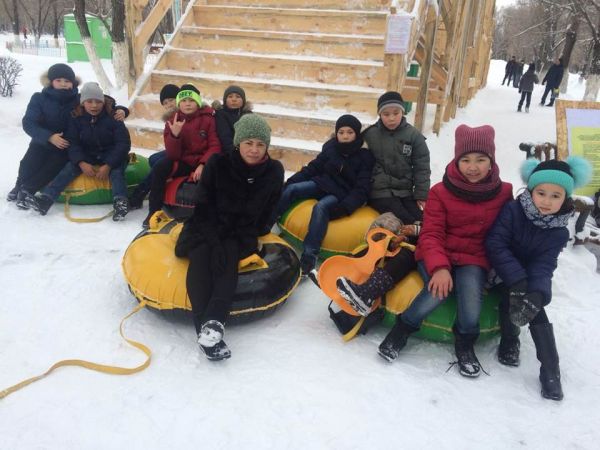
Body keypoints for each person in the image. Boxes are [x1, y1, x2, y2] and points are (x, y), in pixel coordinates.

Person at [377, 124, 513, 378]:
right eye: (466, 160)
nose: (473, 167)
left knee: (471, 299)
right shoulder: (440, 191)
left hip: (474, 258)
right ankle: (402, 330)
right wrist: (439, 268)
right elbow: (431, 234)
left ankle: (465, 344)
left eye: (481, 159)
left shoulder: (503, 192)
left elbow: (505, 233)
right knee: (437, 292)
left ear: (491, 160)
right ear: (457, 160)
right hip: (439, 252)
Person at [174, 114, 284, 360]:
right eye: (248, 143)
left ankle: (214, 321)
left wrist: (258, 229)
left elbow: (272, 206)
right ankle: (205, 329)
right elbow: (203, 204)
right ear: (238, 143)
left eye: (260, 144)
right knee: (201, 254)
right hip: (207, 223)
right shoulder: (218, 163)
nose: (254, 150)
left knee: (229, 256)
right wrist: (213, 240)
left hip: (240, 230)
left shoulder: (274, 171)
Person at [486, 157, 592, 401]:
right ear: (531, 191)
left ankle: (551, 370)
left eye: (555, 196)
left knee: (534, 306)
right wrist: (516, 278)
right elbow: (496, 244)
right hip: (499, 270)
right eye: (541, 193)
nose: (546, 201)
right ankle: (510, 339)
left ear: (565, 198)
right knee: (510, 295)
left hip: (525, 277)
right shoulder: (513, 211)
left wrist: (538, 292)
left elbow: (544, 265)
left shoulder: (559, 231)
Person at [9, 63, 128, 209]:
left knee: (54, 165)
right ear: (50, 81)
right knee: (29, 161)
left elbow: (102, 101)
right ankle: (18, 186)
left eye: (67, 81)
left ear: (73, 83)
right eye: (58, 80)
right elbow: (28, 122)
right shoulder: (39, 98)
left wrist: (122, 110)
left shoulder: (77, 98)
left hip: (66, 143)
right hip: (43, 140)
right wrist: (49, 137)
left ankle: (28, 189)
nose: (63, 84)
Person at [271, 114, 374, 276]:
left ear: (356, 134)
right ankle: (267, 223)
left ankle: (309, 257)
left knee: (321, 208)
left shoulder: (364, 157)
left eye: (350, 132)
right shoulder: (330, 148)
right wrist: (292, 181)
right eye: (341, 132)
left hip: (341, 192)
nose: (345, 136)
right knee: (292, 189)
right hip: (322, 183)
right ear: (336, 133)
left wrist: (346, 207)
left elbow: (362, 187)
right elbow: (314, 167)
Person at [31, 82, 132, 220]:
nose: (94, 105)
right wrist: (81, 162)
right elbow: (73, 143)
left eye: (98, 101)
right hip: (87, 154)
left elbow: (123, 143)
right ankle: (46, 199)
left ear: (103, 102)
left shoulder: (114, 117)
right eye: (89, 101)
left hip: (111, 153)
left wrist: (108, 165)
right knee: (68, 169)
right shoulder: (75, 117)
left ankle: (121, 202)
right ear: (83, 103)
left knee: (117, 172)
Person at [144, 83, 220, 227]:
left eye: (191, 100)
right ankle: (153, 212)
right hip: (185, 162)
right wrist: (174, 135)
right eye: (184, 101)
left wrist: (203, 164)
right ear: (179, 103)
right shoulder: (173, 120)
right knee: (160, 167)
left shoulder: (209, 118)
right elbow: (173, 155)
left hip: (205, 162)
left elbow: (215, 145)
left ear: (197, 102)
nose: (188, 104)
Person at [365, 91, 430, 225]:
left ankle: (422, 234)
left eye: (396, 113)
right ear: (379, 114)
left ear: (403, 112)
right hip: (380, 192)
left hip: (405, 192)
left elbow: (422, 167)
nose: (391, 118)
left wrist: (421, 194)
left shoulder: (413, 136)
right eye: (386, 114)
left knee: (421, 218)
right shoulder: (370, 135)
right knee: (406, 219)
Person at [336, 211, 420, 316]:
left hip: (430, 251)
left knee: (406, 255)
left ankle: (367, 295)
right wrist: (406, 237)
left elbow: (436, 234)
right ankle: (340, 272)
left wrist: (418, 231)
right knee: (385, 245)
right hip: (422, 240)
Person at [129, 83, 180, 209]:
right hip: (175, 150)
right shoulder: (170, 118)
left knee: (158, 164)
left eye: (171, 100)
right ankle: (155, 184)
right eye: (165, 103)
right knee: (153, 159)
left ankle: (139, 194)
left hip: (183, 153)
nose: (169, 105)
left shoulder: (182, 115)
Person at [213, 85, 252, 155]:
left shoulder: (249, 115)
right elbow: (225, 138)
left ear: (243, 100)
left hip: (248, 151)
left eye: (238, 96)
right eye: (230, 96)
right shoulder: (221, 114)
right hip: (228, 153)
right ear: (225, 100)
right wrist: (237, 154)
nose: (234, 99)